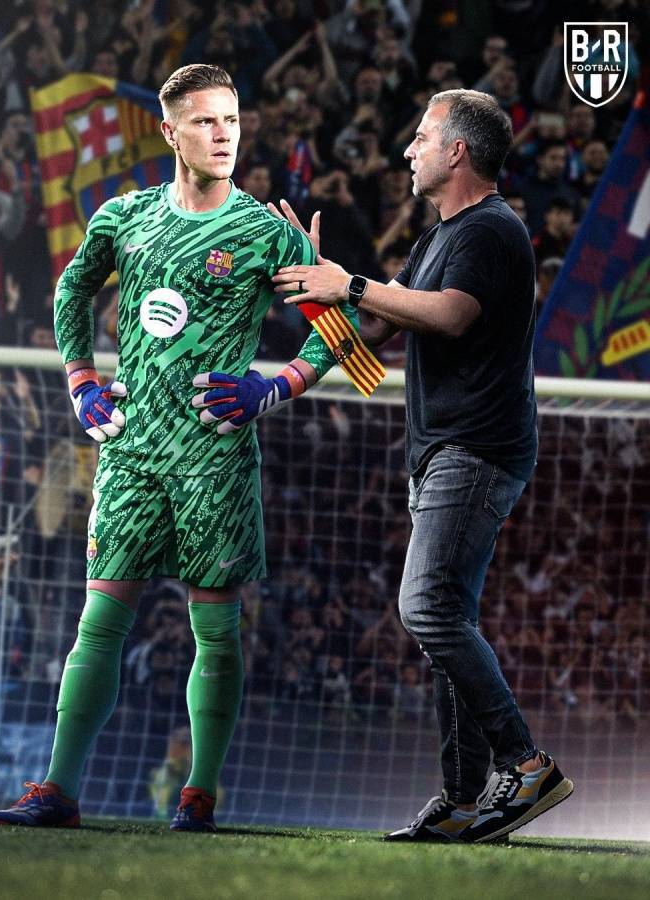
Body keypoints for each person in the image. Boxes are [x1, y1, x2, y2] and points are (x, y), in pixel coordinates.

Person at [0, 63, 358, 832]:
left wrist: (272, 388)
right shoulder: (125, 216)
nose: (224, 135)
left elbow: (341, 335)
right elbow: (71, 290)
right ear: (170, 132)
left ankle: (200, 794)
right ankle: (57, 789)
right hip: (131, 451)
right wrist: (81, 381)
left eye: (232, 120)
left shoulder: (266, 232)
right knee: (99, 624)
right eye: (205, 121)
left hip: (215, 461)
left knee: (214, 632)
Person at [272, 89, 573, 843]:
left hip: (477, 449)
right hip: (444, 450)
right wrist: (312, 281)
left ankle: (525, 763)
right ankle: (464, 799)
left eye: (421, 136)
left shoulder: (492, 230)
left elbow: (450, 315)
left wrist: (350, 284)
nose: (408, 149)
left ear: (457, 151)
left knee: (427, 608)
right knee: (446, 619)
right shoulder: (439, 236)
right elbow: (372, 336)